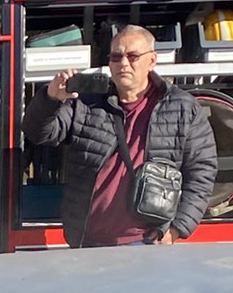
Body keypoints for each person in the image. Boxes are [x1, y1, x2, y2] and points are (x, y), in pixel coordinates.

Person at [23, 24, 217, 247]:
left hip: (147, 243)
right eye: (116, 57)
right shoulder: (85, 102)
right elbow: (37, 133)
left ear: (152, 61)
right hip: (87, 242)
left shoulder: (182, 107)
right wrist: (50, 98)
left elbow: (202, 172)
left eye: (133, 56)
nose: (123, 63)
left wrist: (177, 229)